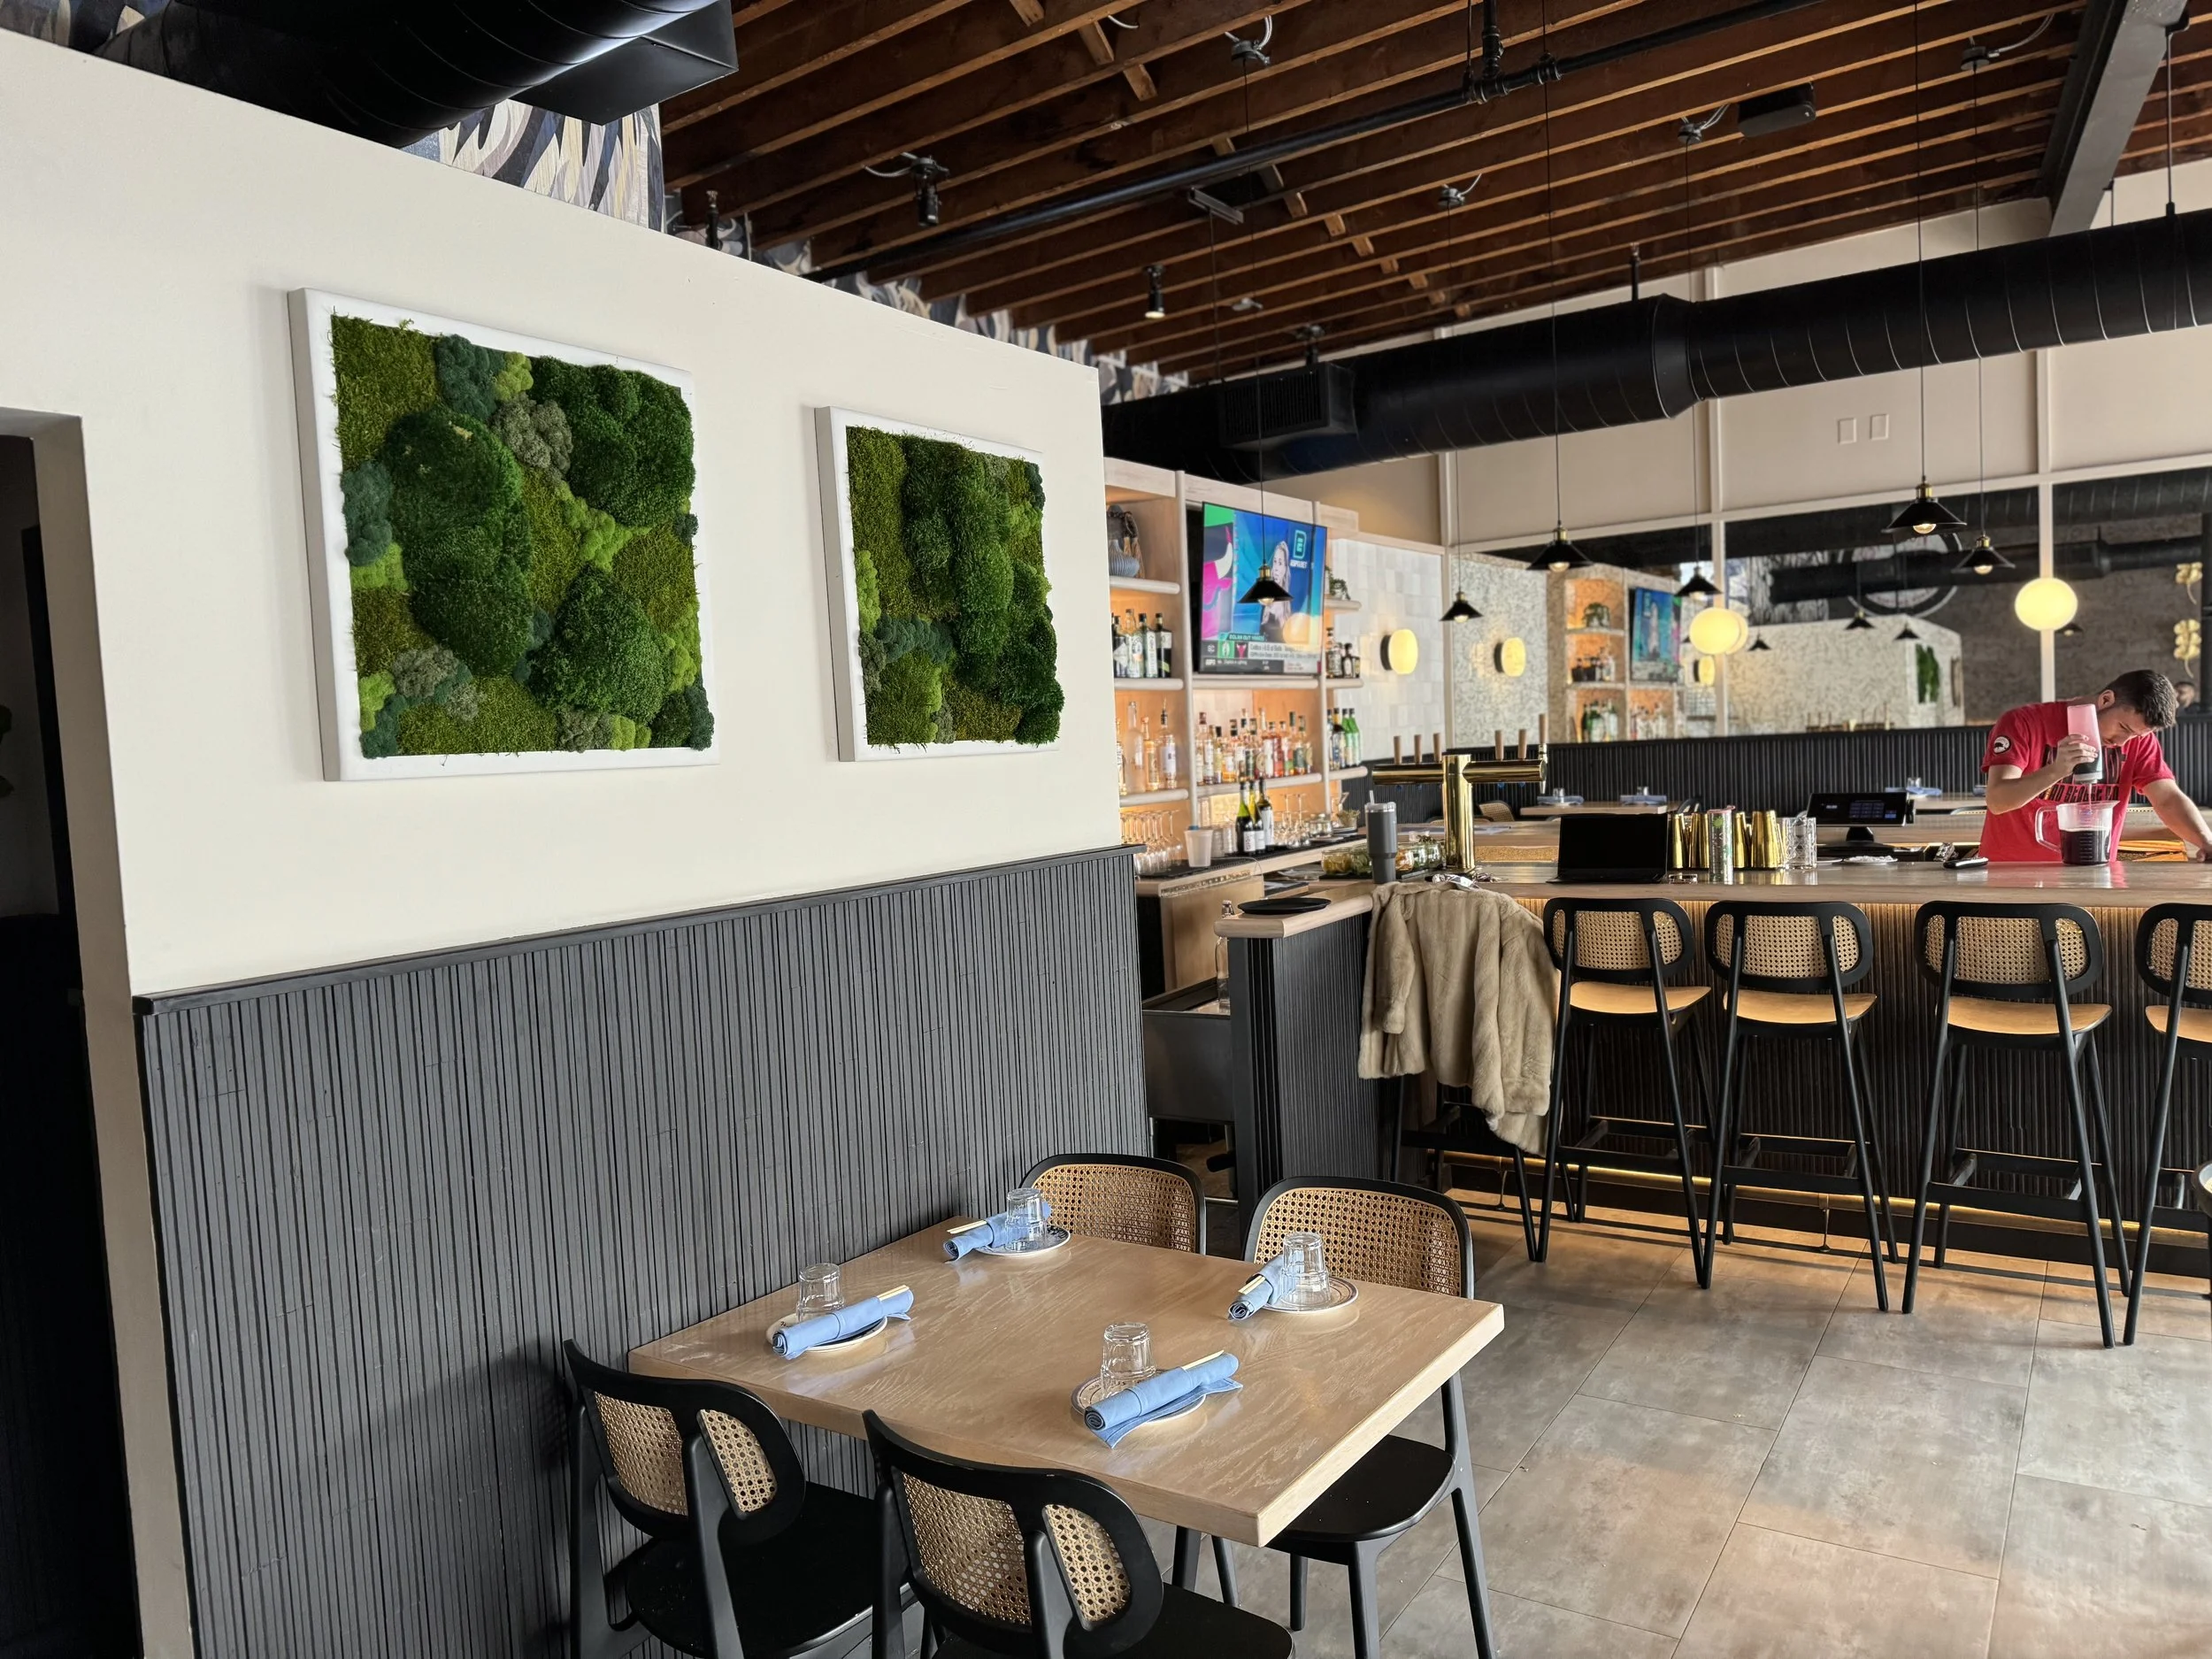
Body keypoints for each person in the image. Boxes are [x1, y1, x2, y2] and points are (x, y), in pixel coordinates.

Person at [1981, 669, 2212, 862]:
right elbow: (1998, 801)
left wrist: (2206, 841)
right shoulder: (2022, 722)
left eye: (2137, 736)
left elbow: (2167, 799)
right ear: (2105, 700)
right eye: (2124, 728)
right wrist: (2056, 770)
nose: (2123, 742)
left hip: (2094, 876)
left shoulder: (2139, 741)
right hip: (2010, 876)